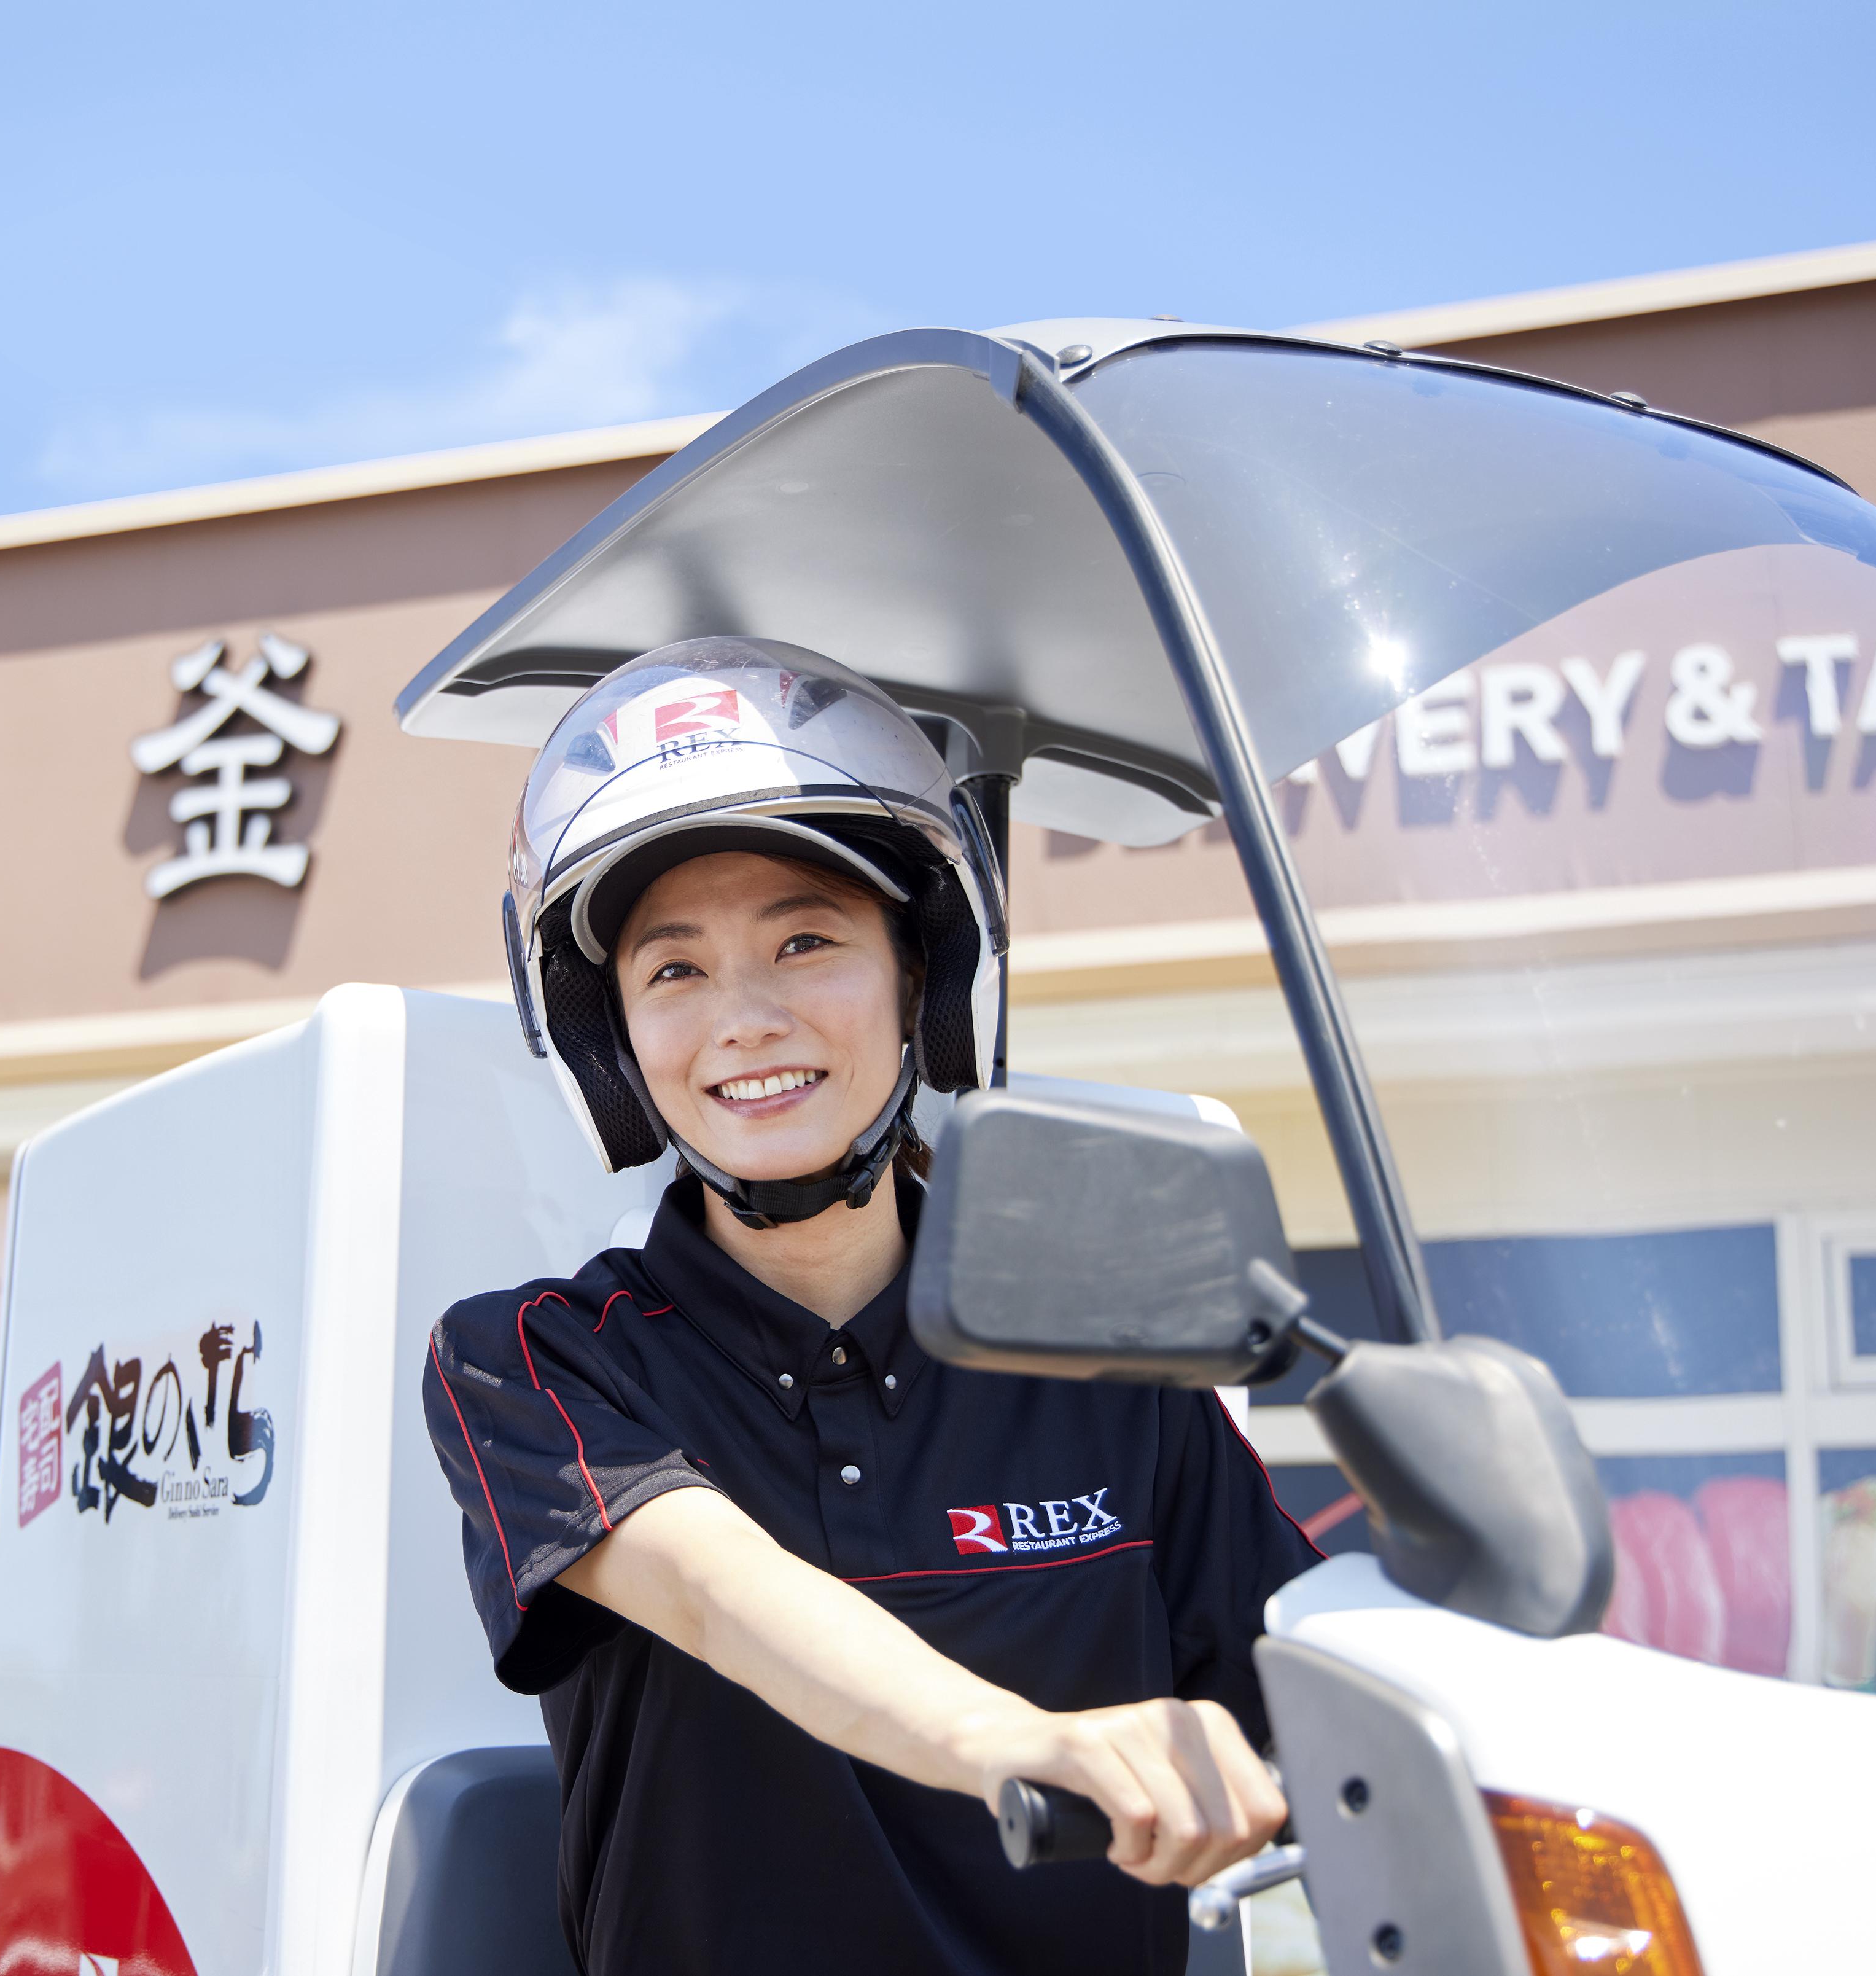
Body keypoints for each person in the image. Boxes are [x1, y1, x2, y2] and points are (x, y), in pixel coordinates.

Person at [422, 638, 1322, 1975]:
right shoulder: (539, 1359)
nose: (745, 1018)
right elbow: (725, 1597)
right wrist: (1026, 1743)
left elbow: (1310, 1681)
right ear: (609, 1037)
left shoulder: (1101, 1369)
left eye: (806, 939)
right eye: (674, 970)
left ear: (924, 979)